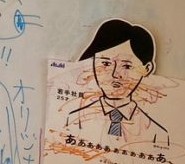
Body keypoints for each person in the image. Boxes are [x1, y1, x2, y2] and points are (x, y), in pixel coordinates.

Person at [67, 19, 169, 148]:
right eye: (106, 63)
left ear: (147, 69)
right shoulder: (73, 120)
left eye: (126, 66)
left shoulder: (156, 134)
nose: (115, 74)